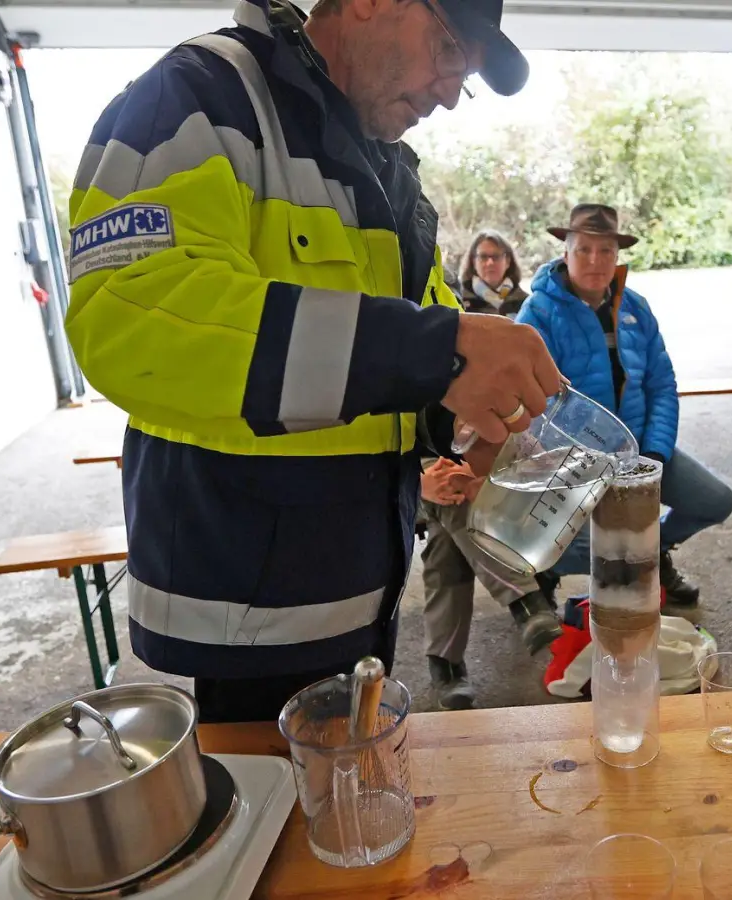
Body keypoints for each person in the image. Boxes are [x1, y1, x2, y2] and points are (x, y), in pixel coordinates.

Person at [63, 0, 564, 723]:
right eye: (450, 49)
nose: (452, 90)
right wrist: (436, 349)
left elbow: (388, 367)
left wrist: (462, 417)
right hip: (245, 617)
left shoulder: (387, 171)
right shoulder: (200, 96)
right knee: (280, 823)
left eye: (468, 75)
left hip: (361, 602)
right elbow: (129, 316)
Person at [516, 204, 732, 607]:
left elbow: (662, 384)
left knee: (717, 501)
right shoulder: (538, 312)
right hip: (575, 460)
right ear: (565, 253)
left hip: (638, 452)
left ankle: (653, 553)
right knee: (589, 547)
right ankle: (551, 570)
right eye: (584, 250)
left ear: (618, 256)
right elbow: (538, 401)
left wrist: (654, 453)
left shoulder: (635, 307)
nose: (596, 261)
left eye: (606, 251)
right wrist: (599, 463)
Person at [416, 454, 561, 711]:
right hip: (409, 480)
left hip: (493, 472)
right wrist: (419, 484)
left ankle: (445, 664)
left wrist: (483, 470)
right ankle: (526, 602)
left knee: (446, 548)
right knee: (451, 490)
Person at [457, 230, 528, 317]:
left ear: (508, 261)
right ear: (473, 262)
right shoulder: (458, 299)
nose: (490, 262)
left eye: (496, 256)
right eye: (483, 257)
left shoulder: (526, 303)